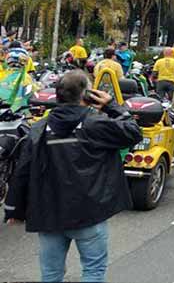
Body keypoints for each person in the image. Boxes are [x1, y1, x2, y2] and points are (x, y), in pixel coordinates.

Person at [4, 70, 143, 282]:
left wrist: (14, 208)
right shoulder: (95, 123)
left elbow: (22, 171)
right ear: (87, 95)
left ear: (57, 95)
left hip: (49, 213)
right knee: (93, 270)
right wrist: (111, 106)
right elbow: (133, 132)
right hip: (89, 212)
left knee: (51, 275)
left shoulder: (40, 128)